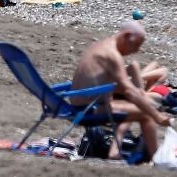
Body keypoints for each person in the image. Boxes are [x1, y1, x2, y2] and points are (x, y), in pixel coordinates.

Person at [71, 23, 170, 161]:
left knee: (132, 105)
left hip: (80, 103)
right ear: (126, 36)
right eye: (136, 45)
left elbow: (103, 82)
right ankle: (157, 160)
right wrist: (157, 116)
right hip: (89, 109)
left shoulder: (100, 45)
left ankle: (116, 151)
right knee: (146, 115)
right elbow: (130, 91)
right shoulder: (112, 55)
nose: (136, 50)